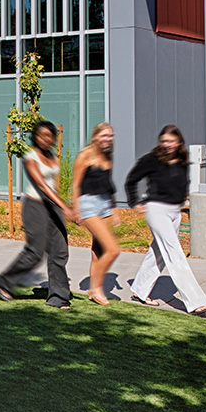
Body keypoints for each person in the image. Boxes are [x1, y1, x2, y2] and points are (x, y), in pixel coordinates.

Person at [125, 125, 206, 315]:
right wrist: (135, 202)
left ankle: (139, 290)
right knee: (174, 253)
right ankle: (195, 301)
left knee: (158, 252)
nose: (167, 145)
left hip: (175, 211)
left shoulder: (182, 161)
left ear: (179, 142)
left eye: (171, 141)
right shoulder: (151, 159)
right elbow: (131, 180)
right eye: (164, 141)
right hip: (157, 210)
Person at [0, 121, 72, 309]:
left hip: (53, 208)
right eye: (40, 135)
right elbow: (43, 186)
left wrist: (60, 206)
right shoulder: (30, 157)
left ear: (53, 137)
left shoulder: (52, 155)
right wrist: (65, 206)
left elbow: (53, 184)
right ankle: (6, 281)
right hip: (35, 207)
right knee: (36, 252)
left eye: (48, 135)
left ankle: (58, 297)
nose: (45, 139)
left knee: (60, 251)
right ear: (35, 137)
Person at [71, 122, 120, 305]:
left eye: (110, 136)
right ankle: (96, 288)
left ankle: (94, 290)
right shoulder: (85, 155)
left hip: (105, 203)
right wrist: (76, 209)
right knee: (113, 250)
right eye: (104, 135)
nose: (107, 139)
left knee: (98, 251)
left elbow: (108, 183)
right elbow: (76, 184)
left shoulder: (108, 156)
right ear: (95, 136)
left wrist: (114, 209)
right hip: (88, 204)